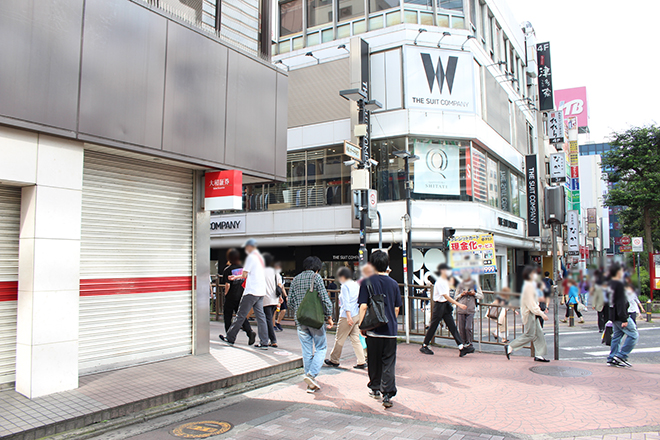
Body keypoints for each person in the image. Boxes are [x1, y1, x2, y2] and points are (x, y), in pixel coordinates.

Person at [357, 251, 402, 409]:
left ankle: (375, 388)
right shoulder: (394, 283)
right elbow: (396, 308)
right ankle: (388, 394)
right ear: (386, 264)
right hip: (390, 331)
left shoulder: (366, 282)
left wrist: (361, 325)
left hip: (373, 330)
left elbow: (363, 306)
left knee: (374, 361)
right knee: (388, 362)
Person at [288, 256, 334, 393]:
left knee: (307, 351)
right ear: (317, 268)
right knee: (321, 347)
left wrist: (298, 308)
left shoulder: (295, 279)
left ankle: (310, 383)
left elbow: (290, 302)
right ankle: (311, 375)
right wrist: (329, 316)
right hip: (315, 320)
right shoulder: (316, 278)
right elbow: (325, 298)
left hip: (300, 320)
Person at [219, 239, 269, 349]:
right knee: (261, 317)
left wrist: (235, 277)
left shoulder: (251, 257)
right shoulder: (260, 258)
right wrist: (237, 276)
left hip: (251, 291)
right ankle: (264, 342)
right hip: (260, 291)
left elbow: (245, 274)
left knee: (240, 315)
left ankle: (230, 337)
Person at [419, 264, 472, 357]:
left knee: (452, 326)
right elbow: (446, 296)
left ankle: (461, 347)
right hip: (439, 306)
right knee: (434, 326)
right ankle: (424, 345)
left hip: (444, 305)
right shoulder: (441, 282)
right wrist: (459, 304)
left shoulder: (445, 281)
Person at [505, 266, 550, 362]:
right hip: (530, 314)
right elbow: (532, 305)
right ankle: (511, 346)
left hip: (532, 313)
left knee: (539, 334)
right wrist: (542, 314)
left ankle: (539, 354)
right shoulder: (528, 287)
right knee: (530, 334)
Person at [325, 267, 367, 369]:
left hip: (347, 315)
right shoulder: (356, 284)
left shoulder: (344, 286)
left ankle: (334, 359)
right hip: (356, 314)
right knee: (355, 338)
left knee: (340, 338)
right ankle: (361, 360)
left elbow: (346, 302)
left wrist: (348, 317)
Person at [607, 263, 638, 368]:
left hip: (613, 315)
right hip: (621, 315)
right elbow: (621, 303)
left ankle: (612, 357)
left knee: (617, 336)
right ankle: (621, 355)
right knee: (633, 335)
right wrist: (624, 318)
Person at [221, 249, 256, 345]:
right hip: (241, 295)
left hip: (231, 296)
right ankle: (249, 332)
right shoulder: (243, 268)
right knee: (241, 315)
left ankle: (229, 335)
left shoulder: (228, 269)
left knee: (227, 315)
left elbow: (227, 285)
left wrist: (226, 295)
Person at [455, 269, 483, 350]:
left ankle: (470, 343)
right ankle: (463, 343)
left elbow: (481, 296)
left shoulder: (475, 285)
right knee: (461, 328)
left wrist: (474, 294)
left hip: (470, 308)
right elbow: (455, 297)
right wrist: (461, 294)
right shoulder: (460, 285)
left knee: (468, 327)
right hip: (461, 308)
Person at [262, 253, 282, 347]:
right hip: (275, 299)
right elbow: (279, 285)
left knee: (268, 320)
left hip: (265, 299)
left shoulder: (261, 271)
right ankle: (269, 339)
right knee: (269, 319)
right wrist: (280, 297)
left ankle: (273, 340)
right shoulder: (275, 272)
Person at [274, 262, 287, 332]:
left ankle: (278, 322)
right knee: (274, 311)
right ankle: (273, 325)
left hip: (280, 296)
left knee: (283, 310)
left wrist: (286, 295)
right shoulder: (272, 275)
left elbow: (282, 287)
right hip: (274, 296)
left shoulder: (281, 277)